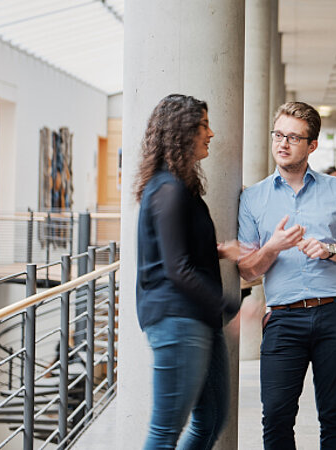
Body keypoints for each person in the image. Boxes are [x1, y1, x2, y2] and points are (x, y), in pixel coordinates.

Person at [233, 101, 336, 449]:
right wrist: (273, 247)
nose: (283, 143)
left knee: (335, 415)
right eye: (278, 134)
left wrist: (330, 250)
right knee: (277, 416)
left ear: (312, 145)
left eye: (294, 137)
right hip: (283, 319)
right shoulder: (253, 198)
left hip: (335, 313)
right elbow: (246, 270)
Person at [134, 94, 240, 449]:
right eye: (203, 125)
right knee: (165, 432)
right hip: (177, 320)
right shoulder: (167, 189)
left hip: (196, 320)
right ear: (182, 132)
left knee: (211, 420)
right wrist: (232, 308)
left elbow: (177, 251)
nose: (211, 133)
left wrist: (217, 251)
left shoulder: (180, 189)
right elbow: (176, 269)